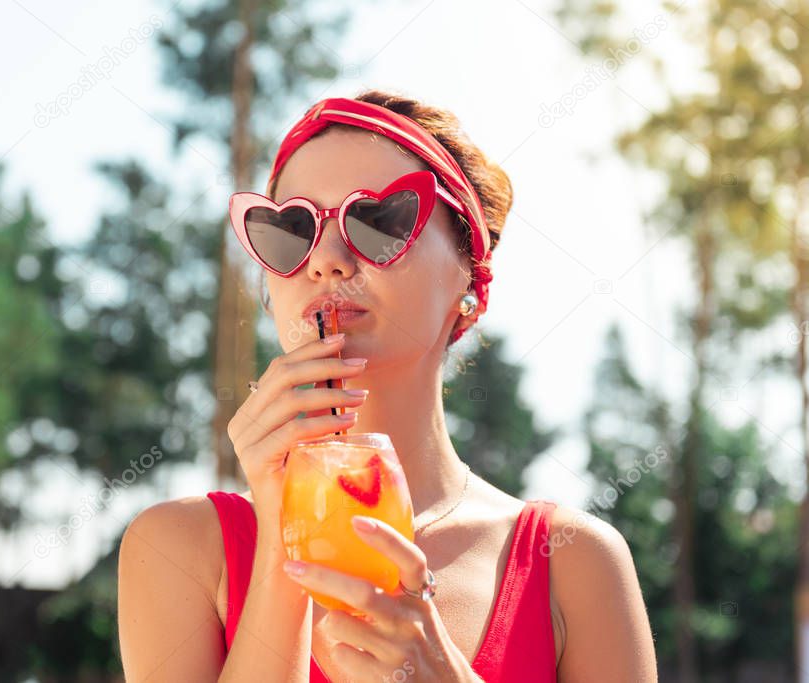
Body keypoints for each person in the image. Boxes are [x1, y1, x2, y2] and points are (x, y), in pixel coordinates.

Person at [117, 89, 658, 682]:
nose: (325, 260)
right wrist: (279, 542)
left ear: (469, 283)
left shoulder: (575, 564)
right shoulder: (177, 550)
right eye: (290, 231)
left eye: (378, 221)